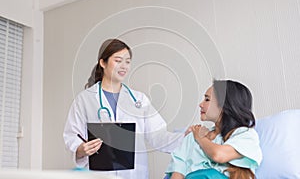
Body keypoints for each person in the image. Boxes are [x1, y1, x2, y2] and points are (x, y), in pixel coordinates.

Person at [63, 38, 185, 179]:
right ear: (103, 63)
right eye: (118, 60)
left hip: (134, 175)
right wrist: (80, 150)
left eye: (127, 62)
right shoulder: (85, 99)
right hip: (98, 175)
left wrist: (186, 138)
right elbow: (72, 135)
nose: (124, 66)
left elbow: (158, 136)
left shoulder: (139, 99)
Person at [165, 80, 262, 179]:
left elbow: (218, 155)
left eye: (207, 99)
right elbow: (178, 172)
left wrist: (201, 139)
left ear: (225, 105)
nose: (201, 104)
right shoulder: (191, 137)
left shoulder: (245, 135)